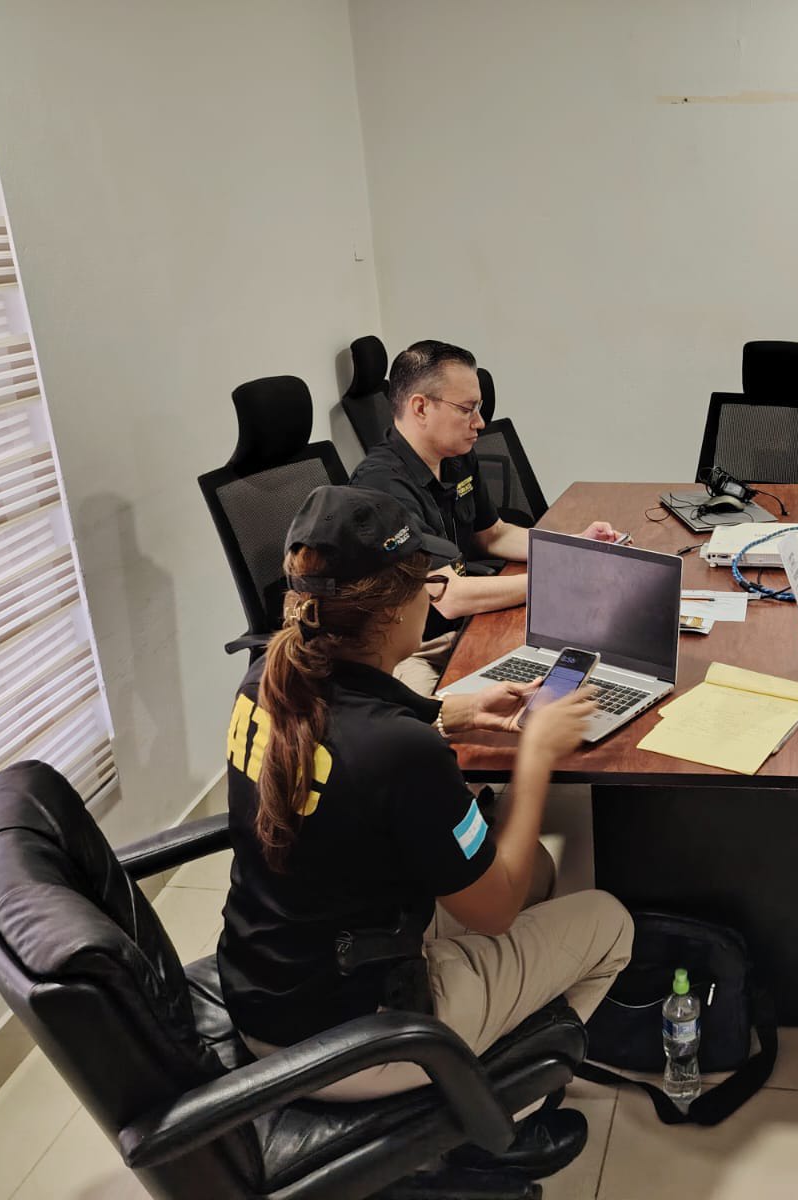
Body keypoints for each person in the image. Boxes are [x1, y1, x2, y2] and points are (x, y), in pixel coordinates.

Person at [218, 485, 633, 1176]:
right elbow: (495, 912)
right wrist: (535, 756)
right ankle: (487, 1127)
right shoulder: (400, 752)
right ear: (392, 611)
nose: (435, 595)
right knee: (608, 921)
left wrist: (453, 712)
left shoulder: (267, 678)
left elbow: (350, 743)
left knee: (541, 875)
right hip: (357, 1040)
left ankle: (476, 1062)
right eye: (427, 584)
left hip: (265, 987)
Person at [350, 339, 620, 693]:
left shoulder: (456, 455)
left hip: (470, 624)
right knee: (444, 725)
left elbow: (493, 534)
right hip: (412, 650)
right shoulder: (381, 487)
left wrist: (574, 547)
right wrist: (555, 581)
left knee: (596, 657)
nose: (479, 422)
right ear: (421, 407)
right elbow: (449, 597)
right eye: (467, 409)